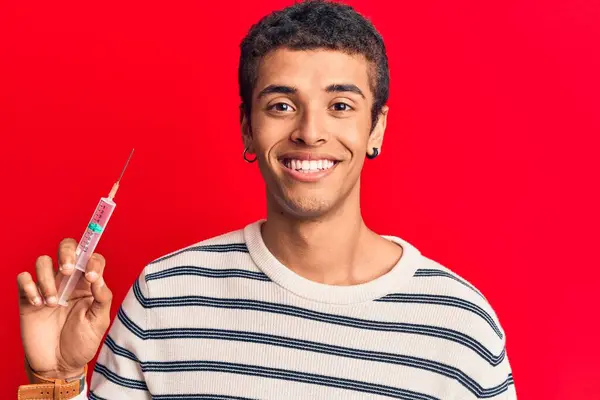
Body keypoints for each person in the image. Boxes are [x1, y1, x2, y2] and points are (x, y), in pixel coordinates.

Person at [17, 1, 517, 399]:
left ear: (376, 127)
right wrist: (56, 377)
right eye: (281, 106)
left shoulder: (456, 323)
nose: (310, 132)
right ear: (247, 129)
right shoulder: (165, 296)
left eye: (340, 106)